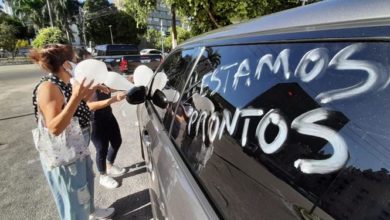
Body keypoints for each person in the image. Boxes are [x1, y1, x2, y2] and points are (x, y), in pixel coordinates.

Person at [30, 44, 115, 220]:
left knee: (86, 181)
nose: (78, 64)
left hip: (79, 141)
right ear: (66, 64)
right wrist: (76, 98)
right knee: (73, 194)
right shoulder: (49, 87)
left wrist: (96, 87)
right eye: (76, 60)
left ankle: (91, 211)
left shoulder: (67, 82)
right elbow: (54, 128)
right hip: (64, 150)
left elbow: (81, 101)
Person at [75, 48, 127, 189]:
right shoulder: (80, 82)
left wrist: (127, 83)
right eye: (89, 59)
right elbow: (90, 106)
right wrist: (113, 100)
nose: (94, 62)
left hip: (108, 115)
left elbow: (109, 88)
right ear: (81, 62)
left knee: (117, 141)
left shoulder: (97, 77)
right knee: (101, 148)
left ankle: (109, 165)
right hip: (94, 120)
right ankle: (103, 176)